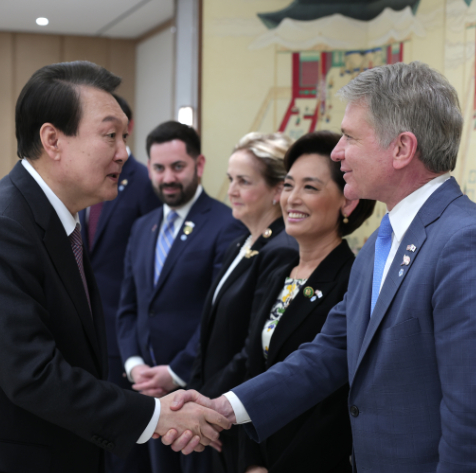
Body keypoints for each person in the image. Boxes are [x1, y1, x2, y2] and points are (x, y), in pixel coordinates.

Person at [170, 61, 476, 472]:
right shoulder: (383, 242)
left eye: (349, 137)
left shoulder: (470, 245)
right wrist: (224, 407)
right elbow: (329, 352)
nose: (337, 152)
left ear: (401, 148)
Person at [0, 61, 230, 473]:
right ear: (52, 139)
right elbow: (33, 373)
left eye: (125, 137)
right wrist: (155, 415)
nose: (124, 153)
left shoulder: (57, 220)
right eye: (110, 136)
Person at [238, 131, 374, 473]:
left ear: (348, 202)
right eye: (288, 185)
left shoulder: (353, 280)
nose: (292, 199)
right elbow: (253, 370)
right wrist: (252, 461)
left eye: (310, 187)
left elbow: (336, 401)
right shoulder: (278, 273)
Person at [116, 120, 246, 473]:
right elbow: (129, 308)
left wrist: (175, 373)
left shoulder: (226, 225)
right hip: (147, 399)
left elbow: (221, 318)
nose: (168, 178)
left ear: (199, 165)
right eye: (158, 168)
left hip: (198, 397)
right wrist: (135, 367)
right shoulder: (142, 227)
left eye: (178, 167)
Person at [187, 132, 297, 473]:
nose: (231, 190)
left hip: (240, 416)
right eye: (230, 179)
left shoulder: (281, 250)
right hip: (217, 413)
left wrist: (211, 404)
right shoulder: (241, 244)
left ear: (278, 191)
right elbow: (211, 336)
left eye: (244, 182)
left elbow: (252, 348)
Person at [78, 94, 161, 473]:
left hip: (119, 327)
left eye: (120, 133)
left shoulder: (141, 179)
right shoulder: (80, 175)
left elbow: (148, 260)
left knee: (122, 437)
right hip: (81, 319)